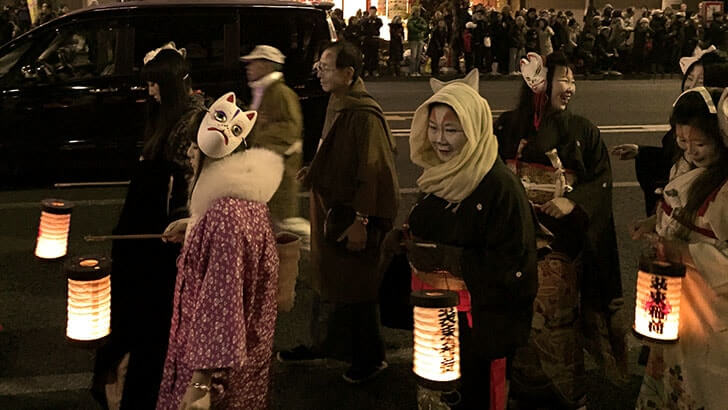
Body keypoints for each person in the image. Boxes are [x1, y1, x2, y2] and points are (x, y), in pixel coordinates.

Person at [495, 52, 625, 408]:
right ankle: (520, 389)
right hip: (516, 243)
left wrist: (575, 201)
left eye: (572, 80)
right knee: (516, 318)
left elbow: (600, 180)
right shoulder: (506, 126)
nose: (571, 88)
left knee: (557, 324)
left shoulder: (582, 131)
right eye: (564, 79)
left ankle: (567, 394)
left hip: (560, 248)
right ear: (537, 82)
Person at [406, 70, 538, 410]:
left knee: (476, 396)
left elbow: (515, 263)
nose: (440, 140)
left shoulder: (499, 187)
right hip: (437, 317)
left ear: (476, 129)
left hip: (479, 323)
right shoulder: (439, 174)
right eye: (433, 128)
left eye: (452, 130)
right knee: (439, 395)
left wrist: (451, 259)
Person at [91, 43, 208, 410]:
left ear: (171, 85)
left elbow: (194, 186)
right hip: (150, 230)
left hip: (166, 234)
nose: (149, 91)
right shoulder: (166, 115)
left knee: (154, 322)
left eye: (155, 84)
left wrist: (185, 223)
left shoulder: (194, 122)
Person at [278, 41, 399, 384]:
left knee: (357, 288)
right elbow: (332, 147)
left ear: (349, 73)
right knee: (329, 282)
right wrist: (314, 169)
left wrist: (362, 220)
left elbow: (373, 171)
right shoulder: (339, 101)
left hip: (351, 218)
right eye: (319, 65)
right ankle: (323, 343)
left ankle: (371, 357)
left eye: (327, 67)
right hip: (332, 213)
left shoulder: (363, 114)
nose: (319, 72)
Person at [156, 92, 283, 410]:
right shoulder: (241, 198)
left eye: (191, 147)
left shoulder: (225, 216)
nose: (188, 153)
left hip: (215, 371)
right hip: (244, 356)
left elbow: (222, 301)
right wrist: (194, 227)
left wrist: (199, 385)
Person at [631, 86, 728, 409]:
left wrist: (682, 252)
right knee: (671, 372)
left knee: (700, 381)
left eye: (700, 144)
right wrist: (652, 223)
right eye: (683, 142)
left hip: (708, 311)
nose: (691, 151)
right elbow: (675, 209)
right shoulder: (688, 169)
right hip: (679, 302)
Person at [611, 47, 728, 215]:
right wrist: (642, 152)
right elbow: (672, 159)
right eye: (690, 78)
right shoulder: (686, 119)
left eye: (701, 81)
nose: (691, 86)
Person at [240, 45, 304, 231]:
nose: (248, 67)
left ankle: (305, 245)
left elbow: (291, 129)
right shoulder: (265, 91)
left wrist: (260, 136)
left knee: (282, 221)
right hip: (269, 167)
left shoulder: (281, 93)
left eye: (253, 63)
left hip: (280, 168)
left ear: (267, 65)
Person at [361, 6, 382, 77]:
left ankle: (374, 70)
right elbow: (363, 24)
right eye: (371, 12)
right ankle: (366, 70)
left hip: (375, 39)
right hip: (367, 39)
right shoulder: (365, 20)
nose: (372, 13)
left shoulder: (378, 20)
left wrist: (375, 19)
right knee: (367, 56)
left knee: (374, 56)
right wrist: (368, 18)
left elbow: (380, 25)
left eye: (374, 12)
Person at [407, 6, 428, 77]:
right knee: (414, 56)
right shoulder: (411, 20)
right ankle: (412, 71)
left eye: (418, 11)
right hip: (413, 39)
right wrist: (420, 29)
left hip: (420, 39)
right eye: (416, 11)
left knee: (419, 56)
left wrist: (418, 27)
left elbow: (425, 27)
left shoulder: (421, 19)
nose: (418, 13)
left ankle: (417, 70)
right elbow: (412, 28)